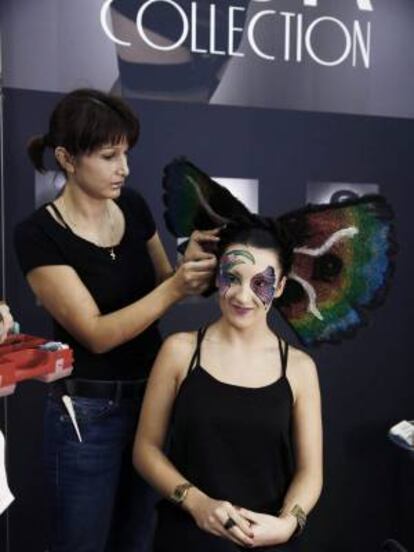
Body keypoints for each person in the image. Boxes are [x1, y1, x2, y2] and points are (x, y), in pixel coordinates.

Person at [14, 88, 217, 552]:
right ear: (66, 158)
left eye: (125, 154)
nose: (123, 168)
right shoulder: (38, 234)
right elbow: (96, 334)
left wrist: (197, 266)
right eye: (109, 156)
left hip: (154, 400)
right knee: (81, 543)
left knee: (138, 539)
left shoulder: (134, 206)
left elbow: (167, 286)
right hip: (86, 415)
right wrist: (175, 287)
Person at [134, 221, 323, 551]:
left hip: (266, 540)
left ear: (279, 287)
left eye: (260, 283)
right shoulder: (179, 351)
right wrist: (196, 503)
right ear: (217, 273)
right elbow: (145, 450)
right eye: (231, 277)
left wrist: (287, 525)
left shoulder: (299, 368)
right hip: (186, 538)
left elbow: (310, 472)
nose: (242, 295)